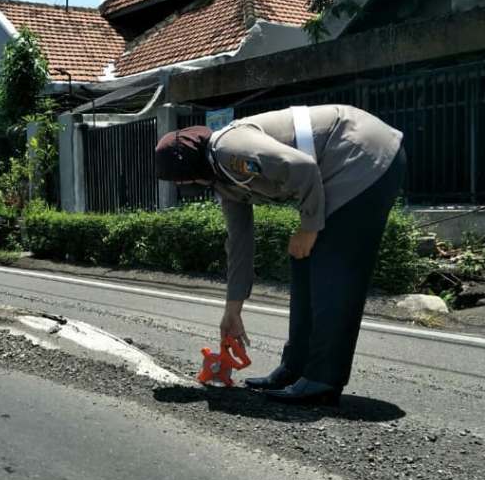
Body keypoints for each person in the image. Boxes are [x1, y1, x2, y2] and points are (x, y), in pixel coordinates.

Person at [154, 105, 405, 406]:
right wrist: (232, 310)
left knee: (330, 267)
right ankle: (295, 367)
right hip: (341, 167)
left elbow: (301, 166)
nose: (180, 187)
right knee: (302, 259)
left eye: (177, 181)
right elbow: (240, 242)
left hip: (362, 155)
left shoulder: (228, 150)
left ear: (187, 173)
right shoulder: (223, 179)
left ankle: (323, 379)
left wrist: (310, 227)